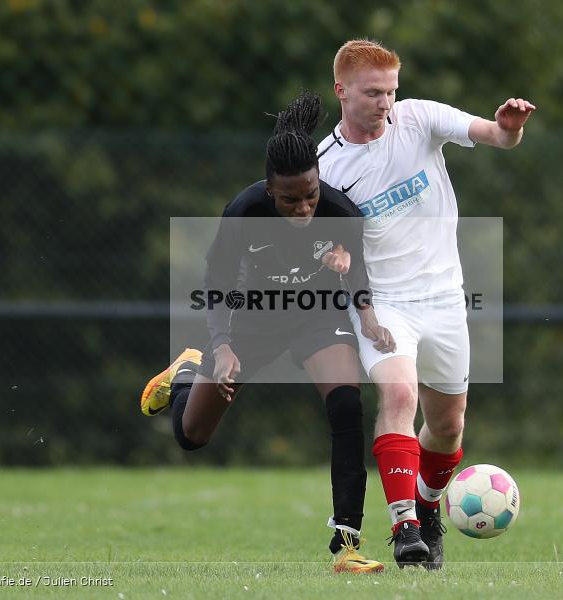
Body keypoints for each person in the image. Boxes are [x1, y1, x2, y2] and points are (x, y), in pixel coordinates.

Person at [143, 90, 396, 573]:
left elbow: (357, 275)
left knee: (346, 404)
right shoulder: (243, 211)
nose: (303, 208)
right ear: (268, 189)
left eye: (310, 195)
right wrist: (222, 347)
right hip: (252, 320)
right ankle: (185, 372)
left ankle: (347, 545)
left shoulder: (343, 213)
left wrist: (367, 318)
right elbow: (216, 283)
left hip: (316, 317)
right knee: (191, 436)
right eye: (289, 199)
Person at [316, 39, 536, 570]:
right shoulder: (324, 166)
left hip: (443, 298)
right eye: (373, 93)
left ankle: (428, 504)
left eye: (391, 91)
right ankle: (406, 528)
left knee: (448, 426)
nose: (385, 103)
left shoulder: (419, 118)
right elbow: (318, 241)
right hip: (383, 301)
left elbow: (494, 136)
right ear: (341, 90)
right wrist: (331, 256)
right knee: (397, 391)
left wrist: (510, 126)